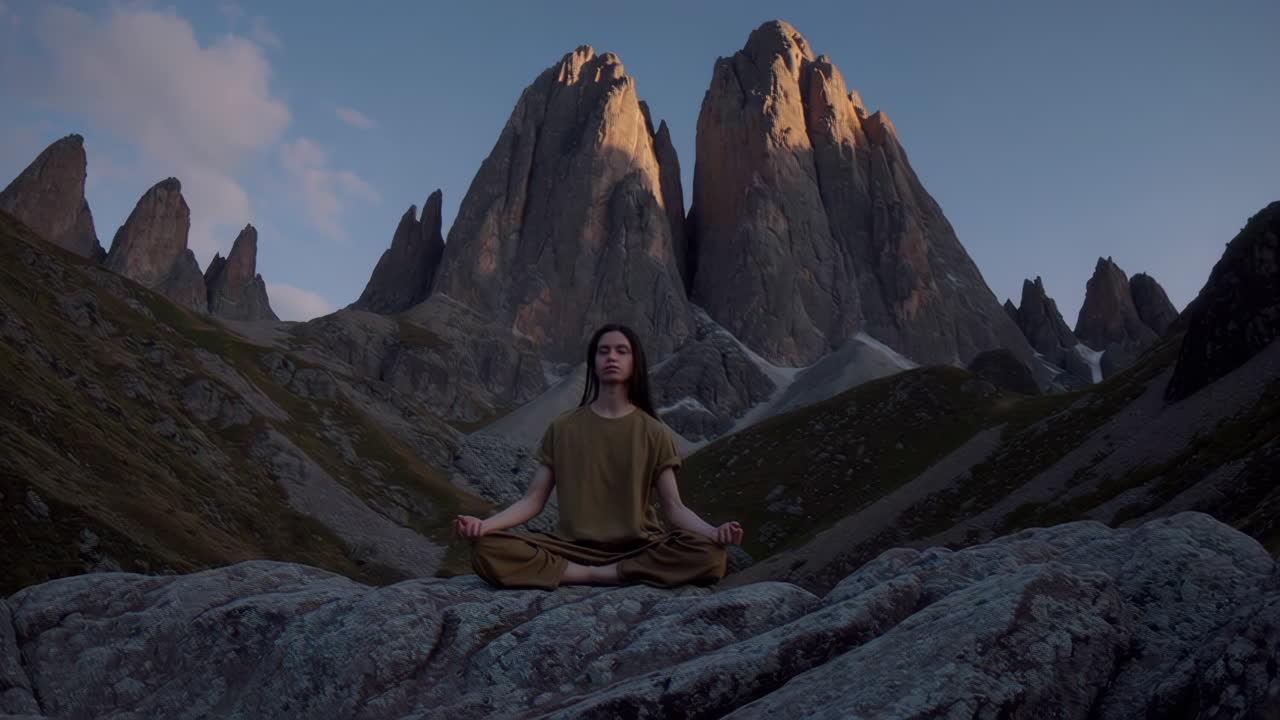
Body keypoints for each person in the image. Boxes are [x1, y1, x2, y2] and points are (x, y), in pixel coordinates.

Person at [455, 323, 744, 589]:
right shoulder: (563, 427)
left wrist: (713, 532)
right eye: (603, 351)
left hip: (638, 546)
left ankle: (590, 573)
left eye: (622, 351)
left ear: (635, 363)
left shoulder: (654, 432)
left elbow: (675, 508)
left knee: (710, 554)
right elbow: (533, 500)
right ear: (593, 363)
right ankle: (604, 574)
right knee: (487, 548)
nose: (612, 357)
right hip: (569, 547)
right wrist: (485, 526)